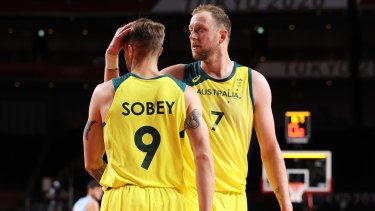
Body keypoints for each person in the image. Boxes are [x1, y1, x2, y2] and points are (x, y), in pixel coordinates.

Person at [104, 5, 292, 210]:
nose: (192, 36)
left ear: (222, 36)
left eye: (200, 29)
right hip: (188, 196)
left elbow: (270, 148)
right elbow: (117, 96)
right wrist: (112, 58)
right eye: (190, 30)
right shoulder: (176, 77)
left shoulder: (254, 82)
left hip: (235, 198)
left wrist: (286, 203)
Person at [83, 18, 214, 211]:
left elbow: (92, 162)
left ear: (129, 49)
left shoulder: (104, 93)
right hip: (169, 199)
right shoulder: (186, 94)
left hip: (122, 198)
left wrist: (111, 58)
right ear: (159, 51)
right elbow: (203, 156)